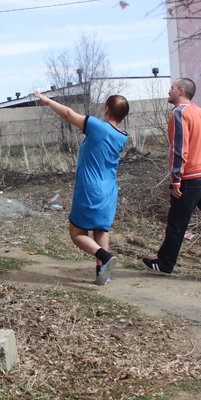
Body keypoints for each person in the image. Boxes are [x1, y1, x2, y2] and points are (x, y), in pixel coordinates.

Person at [34, 91, 129, 285]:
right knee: (101, 229)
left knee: (77, 233)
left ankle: (105, 256)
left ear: (107, 109)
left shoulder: (96, 126)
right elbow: (102, 140)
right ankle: (102, 272)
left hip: (90, 188)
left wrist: (49, 101)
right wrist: (90, 132)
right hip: (109, 190)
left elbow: (69, 114)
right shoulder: (122, 136)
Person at [142, 77, 201, 280]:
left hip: (191, 177)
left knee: (177, 223)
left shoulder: (179, 113)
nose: (169, 91)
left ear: (181, 91)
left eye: (172, 88)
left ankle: (165, 264)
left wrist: (176, 179)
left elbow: (179, 147)